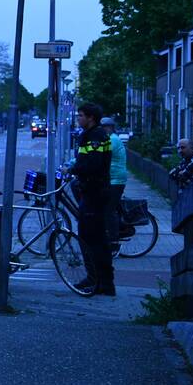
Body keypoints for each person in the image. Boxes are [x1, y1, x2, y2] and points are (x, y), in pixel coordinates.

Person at [69, 102, 115, 296]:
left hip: (94, 192)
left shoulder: (95, 136)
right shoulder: (92, 135)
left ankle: (101, 283)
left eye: (81, 115)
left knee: (92, 238)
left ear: (91, 118)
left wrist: (71, 169)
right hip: (92, 191)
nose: (78, 118)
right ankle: (96, 279)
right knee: (91, 237)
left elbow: (93, 164)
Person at [100, 117, 128, 250]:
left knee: (108, 211)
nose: (103, 129)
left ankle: (114, 243)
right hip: (111, 178)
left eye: (105, 127)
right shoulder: (110, 139)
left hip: (115, 180)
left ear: (111, 128)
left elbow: (99, 157)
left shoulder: (112, 140)